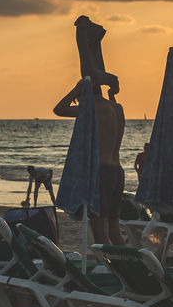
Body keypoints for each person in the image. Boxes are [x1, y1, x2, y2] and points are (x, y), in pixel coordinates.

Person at [54, 80, 126, 246]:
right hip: (118, 171)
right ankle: (127, 268)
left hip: (101, 173)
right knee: (115, 233)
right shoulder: (117, 108)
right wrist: (112, 96)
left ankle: (113, 269)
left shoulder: (91, 108)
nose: (78, 103)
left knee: (100, 236)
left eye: (77, 99)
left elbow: (59, 109)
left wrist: (76, 88)